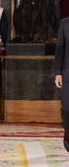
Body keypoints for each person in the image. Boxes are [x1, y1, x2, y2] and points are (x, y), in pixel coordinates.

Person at [54, 17, 69, 152]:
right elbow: (59, 50)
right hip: (67, 73)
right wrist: (58, 73)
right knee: (66, 108)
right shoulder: (64, 23)